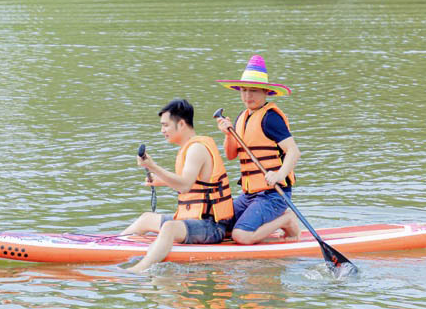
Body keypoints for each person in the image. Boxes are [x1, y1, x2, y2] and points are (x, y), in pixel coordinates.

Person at [122, 98, 235, 273]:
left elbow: (184, 186)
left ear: (181, 124)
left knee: (169, 227)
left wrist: (153, 166)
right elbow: (192, 184)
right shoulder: (190, 147)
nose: (162, 130)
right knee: (145, 219)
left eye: (166, 125)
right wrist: (159, 179)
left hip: (211, 226)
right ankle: (111, 247)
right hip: (195, 219)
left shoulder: (196, 149)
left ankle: (138, 270)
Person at [215, 55, 303, 244]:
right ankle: (267, 222)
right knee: (219, 227)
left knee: (241, 235)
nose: (248, 96)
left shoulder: (271, 118)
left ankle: (287, 219)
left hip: (274, 194)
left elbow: (294, 152)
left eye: (253, 91)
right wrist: (228, 135)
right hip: (250, 195)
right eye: (244, 90)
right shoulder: (242, 117)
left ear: (265, 92)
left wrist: (279, 175)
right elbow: (231, 155)